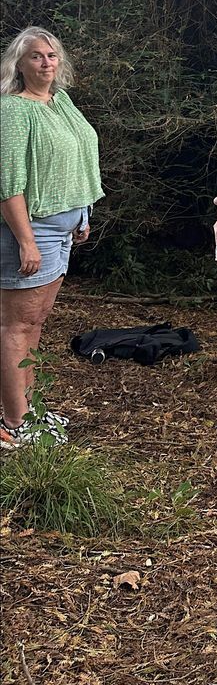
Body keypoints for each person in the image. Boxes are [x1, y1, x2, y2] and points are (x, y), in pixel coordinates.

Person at [0, 28, 103, 448]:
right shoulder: (12, 110)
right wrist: (26, 240)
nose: (47, 63)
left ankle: (29, 409)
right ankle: (13, 422)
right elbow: (8, 182)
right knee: (14, 326)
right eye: (37, 57)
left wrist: (83, 214)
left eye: (52, 55)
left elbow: (77, 160)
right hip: (32, 230)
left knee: (35, 322)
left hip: (62, 231)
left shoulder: (62, 103)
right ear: (19, 65)